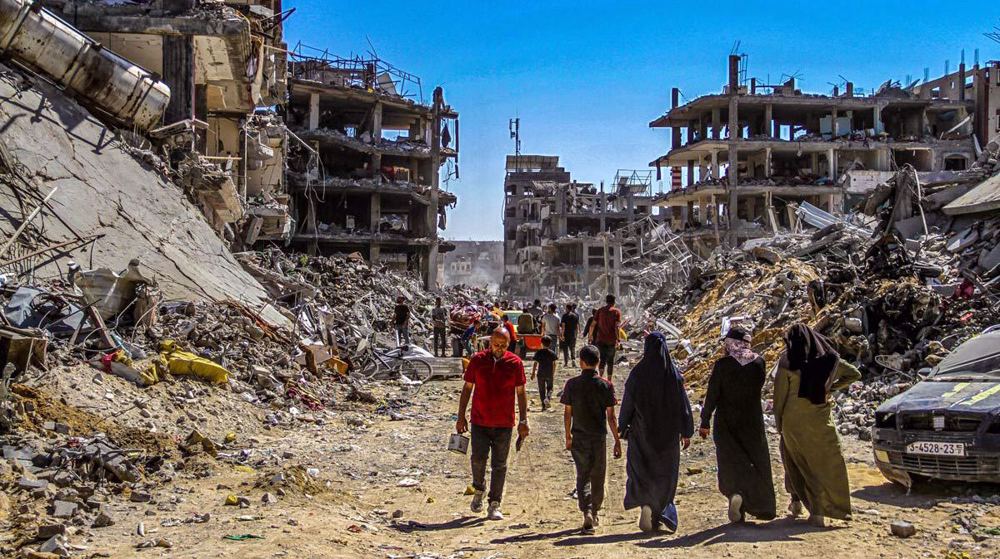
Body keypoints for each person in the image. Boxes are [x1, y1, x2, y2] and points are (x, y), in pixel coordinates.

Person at [773, 323, 861, 528]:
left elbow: (779, 398)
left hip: (793, 422)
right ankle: (835, 508)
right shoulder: (830, 359)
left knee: (798, 464)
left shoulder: (787, 361)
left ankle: (810, 508)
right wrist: (830, 388)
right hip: (821, 418)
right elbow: (854, 374)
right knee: (826, 464)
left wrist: (779, 424)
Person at [698, 327, 776, 523]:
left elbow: (712, 394)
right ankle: (757, 504)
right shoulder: (759, 363)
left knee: (729, 460)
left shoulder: (722, 365)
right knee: (754, 461)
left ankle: (735, 493)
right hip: (752, 422)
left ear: (730, 343)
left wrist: (705, 420)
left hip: (726, 421)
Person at [618, 332, 693, 533]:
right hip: (668, 435)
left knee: (642, 469)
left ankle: (646, 505)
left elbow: (628, 403)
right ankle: (659, 511)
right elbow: (683, 405)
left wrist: (622, 426)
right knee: (665, 473)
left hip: (642, 432)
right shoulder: (673, 374)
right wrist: (687, 430)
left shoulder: (638, 373)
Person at [456, 328, 530, 521]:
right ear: (490, 343)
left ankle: (494, 503)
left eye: (504, 346)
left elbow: (521, 393)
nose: (499, 349)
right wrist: (461, 416)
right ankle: (479, 488)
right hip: (479, 421)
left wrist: (523, 420)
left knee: (500, 465)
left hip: (504, 423)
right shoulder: (478, 361)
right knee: (477, 459)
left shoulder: (515, 363)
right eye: (496, 345)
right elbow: (467, 388)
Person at [561, 345, 622, 533]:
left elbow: (567, 413)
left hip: (579, 435)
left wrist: (568, 435)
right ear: (598, 362)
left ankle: (586, 510)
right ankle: (594, 511)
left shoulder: (572, 384)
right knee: (598, 475)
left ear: (581, 362)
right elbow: (611, 417)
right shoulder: (605, 385)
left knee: (582, 475)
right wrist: (617, 440)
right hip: (598, 437)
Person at [592, 295, 622, 380]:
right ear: (614, 302)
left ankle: (600, 378)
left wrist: (590, 336)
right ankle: (609, 381)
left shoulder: (600, 310)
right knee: (610, 361)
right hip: (611, 340)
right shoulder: (616, 312)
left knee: (602, 359)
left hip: (600, 339)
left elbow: (593, 325)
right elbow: (617, 327)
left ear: (606, 301)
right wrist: (618, 339)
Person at [530, 336, 559, 410]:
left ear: (541, 343)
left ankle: (543, 405)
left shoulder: (538, 352)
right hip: (549, 373)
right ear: (550, 344)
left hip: (540, 374)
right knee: (550, 388)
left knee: (541, 390)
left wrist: (533, 373)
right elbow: (554, 364)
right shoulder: (552, 353)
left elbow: (535, 363)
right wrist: (553, 373)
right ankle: (548, 398)